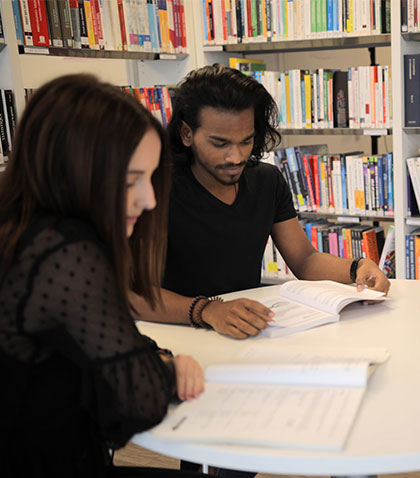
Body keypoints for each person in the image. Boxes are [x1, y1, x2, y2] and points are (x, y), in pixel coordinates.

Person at [0, 74, 210, 478]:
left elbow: (97, 342)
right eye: (133, 180)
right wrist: (167, 370)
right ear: (77, 170)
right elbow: (137, 403)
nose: (149, 200)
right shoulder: (65, 251)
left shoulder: (21, 227)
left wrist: (154, 358)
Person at [131, 63, 390, 341]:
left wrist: (358, 268)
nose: (236, 157)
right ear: (186, 134)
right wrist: (207, 311)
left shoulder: (267, 180)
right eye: (220, 143)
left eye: (246, 141)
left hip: (245, 332)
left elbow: (305, 259)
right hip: (172, 333)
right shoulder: (153, 188)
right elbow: (131, 293)